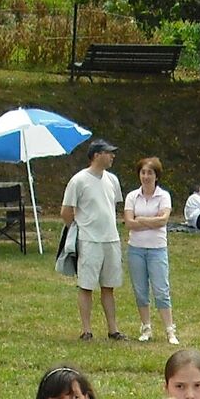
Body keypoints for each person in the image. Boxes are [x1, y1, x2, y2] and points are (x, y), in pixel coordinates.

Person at [61, 139, 124, 340]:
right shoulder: (78, 180)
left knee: (109, 286)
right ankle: (86, 330)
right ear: (97, 155)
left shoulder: (112, 180)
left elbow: (112, 206)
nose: (112, 156)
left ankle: (113, 329)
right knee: (86, 285)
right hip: (89, 241)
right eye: (108, 152)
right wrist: (79, 229)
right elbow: (66, 211)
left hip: (111, 239)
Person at [124, 156, 174, 344]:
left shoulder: (164, 196)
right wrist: (151, 221)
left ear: (156, 176)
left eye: (150, 173)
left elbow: (163, 220)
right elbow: (129, 222)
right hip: (136, 248)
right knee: (140, 289)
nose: (146, 176)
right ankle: (146, 327)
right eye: (143, 172)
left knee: (161, 289)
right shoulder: (132, 196)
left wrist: (142, 220)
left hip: (157, 249)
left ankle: (170, 329)